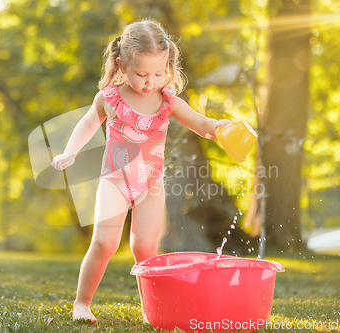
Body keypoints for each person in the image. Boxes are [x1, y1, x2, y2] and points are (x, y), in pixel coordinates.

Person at [51, 19, 232, 323]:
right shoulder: (109, 97)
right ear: (121, 65)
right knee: (104, 243)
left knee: (146, 247)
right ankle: (82, 303)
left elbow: (202, 124)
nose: (150, 81)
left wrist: (220, 128)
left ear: (169, 67)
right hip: (115, 180)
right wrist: (69, 152)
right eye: (141, 74)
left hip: (151, 183)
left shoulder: (168, 101)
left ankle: (153, 311)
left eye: (159, 73)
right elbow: (86, 125)